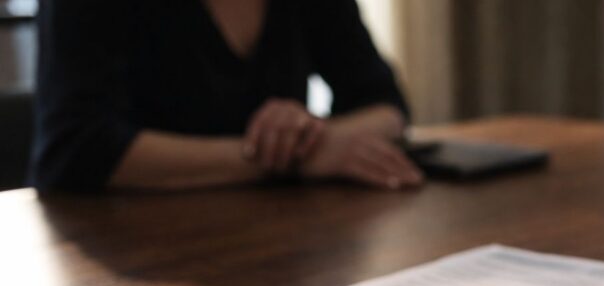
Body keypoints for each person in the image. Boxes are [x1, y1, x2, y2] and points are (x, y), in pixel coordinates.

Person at [31, 0, 423, 192]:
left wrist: (312, 135)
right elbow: (77, 148)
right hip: (127, 268)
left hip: (277, 253)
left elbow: (386, 104)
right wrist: (289, 158)